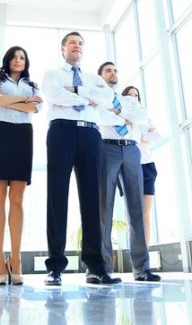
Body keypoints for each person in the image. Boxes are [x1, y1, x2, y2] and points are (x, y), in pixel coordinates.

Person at [41, 31, 121, 285]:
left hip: (90, 134)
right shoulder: (51, 75)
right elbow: (55, 95)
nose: (77, 46)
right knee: (57, 196)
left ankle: (96, 266)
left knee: (91, 198)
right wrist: (87, 96)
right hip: (61, 130)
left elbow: (107, 97)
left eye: (81, 44)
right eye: (72, 43)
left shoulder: (93, 78)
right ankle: (55, 267)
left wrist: (75, 90)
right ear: (63, 48)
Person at [97, 62, 161, 282]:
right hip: (107, 149)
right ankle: (103, 268)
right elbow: (102, 117)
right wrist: (125, 116)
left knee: (137, 209)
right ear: (100, 77)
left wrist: (120, 111)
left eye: (115, 70)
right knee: (104, 209)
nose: (113, 73)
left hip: (132, 151)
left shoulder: (128, 100)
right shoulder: (97, 96)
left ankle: (142, 269)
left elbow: (142, 118)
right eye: (108, 70)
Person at [0, 46, 43, 285]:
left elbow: (35, 108)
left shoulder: (34, 84)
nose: (18, 60)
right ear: (7, 60)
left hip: (22, 136)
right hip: (0, 132)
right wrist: (25, 100)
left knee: (17, 198)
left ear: (26, 62)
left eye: (22, 57)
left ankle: (16, 259)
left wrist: (16, 100)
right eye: (14, 57)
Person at [122, 86, 161, 246]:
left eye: (136, 95)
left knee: (146, 213)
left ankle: (144, 254)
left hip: (147, 166)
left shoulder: (145, 117)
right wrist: (144, 137)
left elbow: (157, 136)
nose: (133, 97)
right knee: (131, 214)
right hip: (128, 165)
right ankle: (135, 255)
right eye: (129, 95)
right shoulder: (122, 115)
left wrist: (139, 136)